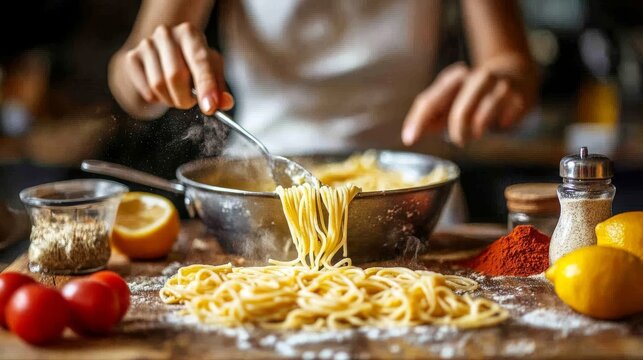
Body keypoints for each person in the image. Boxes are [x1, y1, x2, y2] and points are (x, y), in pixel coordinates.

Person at [109, 0, 538, 154]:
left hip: (410, 197)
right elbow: (129, 79)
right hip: (263, 195)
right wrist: (148, 71)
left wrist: (501, 84)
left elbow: (513, 65)